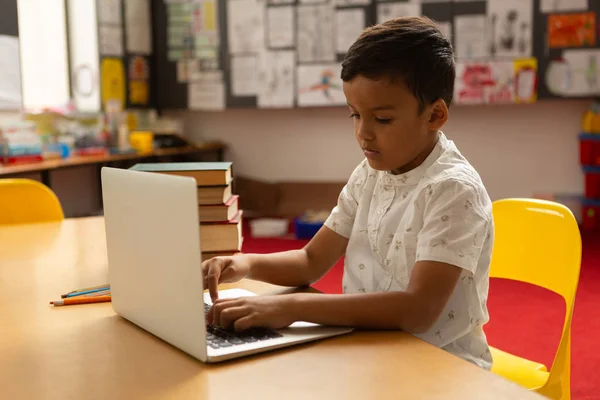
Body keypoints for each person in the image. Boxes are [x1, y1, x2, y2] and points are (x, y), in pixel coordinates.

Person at [202, 16, 494, 369]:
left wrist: (290, 307)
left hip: (441, 364)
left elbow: (418, 311)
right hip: (367, 346)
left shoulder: (453, 190)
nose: (363, 133)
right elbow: (310, 262)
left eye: (381, 119)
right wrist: (244, 264)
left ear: (435, 115)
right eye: (354, 115)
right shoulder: (370, 174)